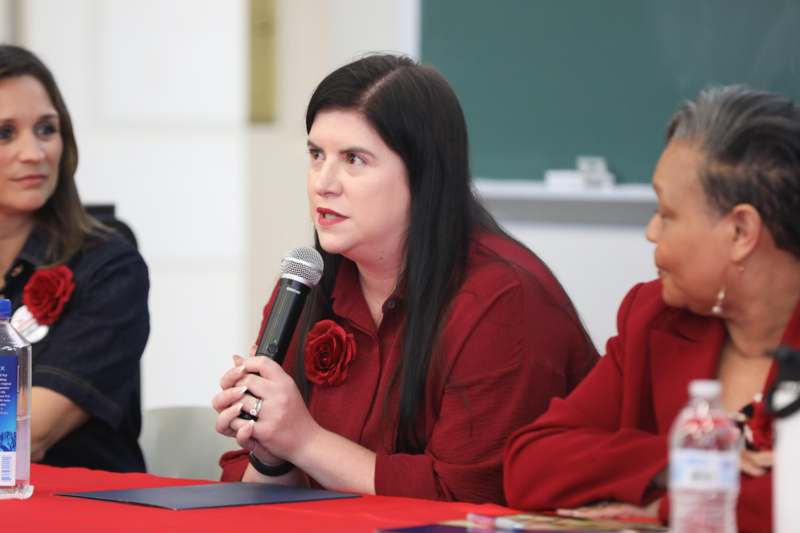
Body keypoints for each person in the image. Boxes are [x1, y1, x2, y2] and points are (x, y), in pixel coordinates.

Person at [212, 54, 598, 503]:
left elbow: (468, 499)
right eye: (316, 155)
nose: (324, 182)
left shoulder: (502, 300)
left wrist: (305, 441)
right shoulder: (308, 284)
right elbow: (253, 496)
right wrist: (271, 453)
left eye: (354, 159)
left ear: (424, 174)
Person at [504, 85, 800, 533]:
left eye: (667, 213)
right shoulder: (655, 316)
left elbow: (784, 505)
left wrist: (658, 508)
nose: (650, 231)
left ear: (741, 231)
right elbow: (531, 464)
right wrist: (676, 464)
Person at [0, 45, 149, 472]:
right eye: (4, 133)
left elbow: (25, 433)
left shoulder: (109, 267)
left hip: (83, 510)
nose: (34, 153)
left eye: (46, 129)